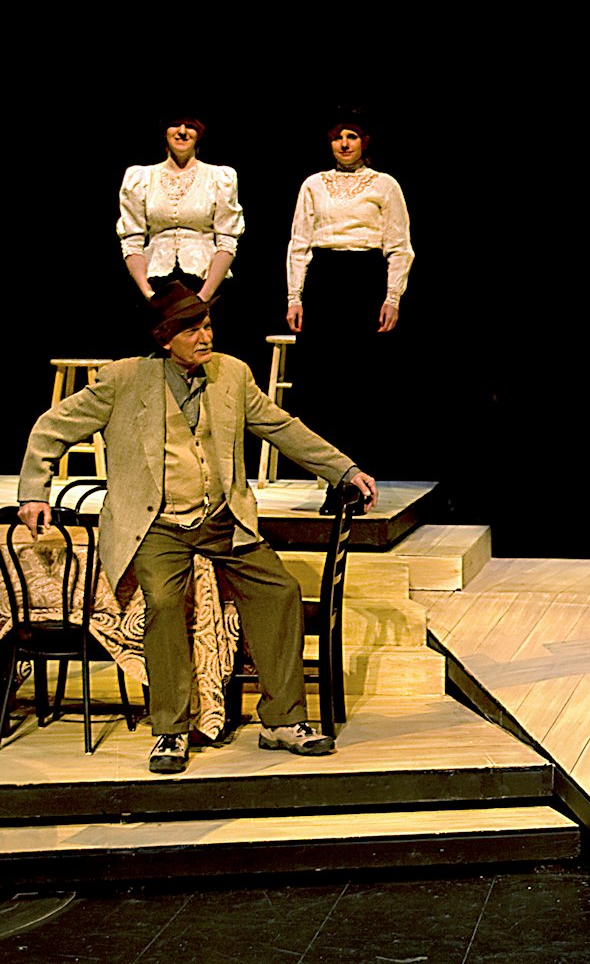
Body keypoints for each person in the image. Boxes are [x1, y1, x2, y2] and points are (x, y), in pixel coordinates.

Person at [16, 282, 379, 774]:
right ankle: (171, 730)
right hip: (157, 524)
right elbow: (52, 427)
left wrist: (343, 469)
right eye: (192, 331)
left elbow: (282, 427)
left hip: (220, 518)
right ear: (166, 338)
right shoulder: (123, 380)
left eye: (207, 326)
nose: (205, 337)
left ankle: (282, 720)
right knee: (164, 604)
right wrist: (34, 491)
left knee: (279, 590)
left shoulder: (232, 373)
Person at [284, 119, 413, 464]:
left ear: (364, 141)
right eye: (337, 138)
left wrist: (393, 297)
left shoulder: (384, 184)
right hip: (325, 279)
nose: (343, 144)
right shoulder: (314, 184)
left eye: (351, 137)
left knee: (361, 378)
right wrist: (295, 297)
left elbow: (399, 246)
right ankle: (329, 469)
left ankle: (359, 469)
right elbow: (299, 244)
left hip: (365, 278)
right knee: (324, 379)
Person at [116, 116, 244, 302]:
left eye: (190, 126)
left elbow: (227, 238)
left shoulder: (219, 177)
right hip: (156, 284)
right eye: (175, 125)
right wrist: (148, 294)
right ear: (165, 132)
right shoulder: (140, 177)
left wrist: (203, 297)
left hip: (206, 284)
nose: (182, 132)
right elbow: (132, 238)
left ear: (199, 134)